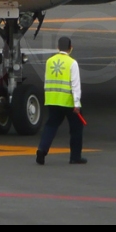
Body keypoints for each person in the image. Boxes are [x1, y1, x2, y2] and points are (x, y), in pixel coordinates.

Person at [36, 36, 85, 165]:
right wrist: (76, 103)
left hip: (52, 99)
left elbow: (47, 80)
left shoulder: (49, 61)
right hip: (68, 101)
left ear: (58, 48)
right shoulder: (72, 63)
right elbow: (75, 84)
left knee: (50, 126)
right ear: (71, 48)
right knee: (76, 128)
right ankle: (75, 157)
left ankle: (42, 150)